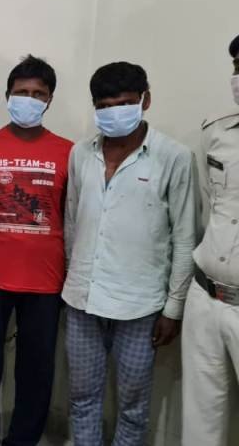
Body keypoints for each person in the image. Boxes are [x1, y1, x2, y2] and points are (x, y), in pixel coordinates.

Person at [63, 61, 198, 445]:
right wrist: (72, 276)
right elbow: (72, 221)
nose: (114, 112)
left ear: (145, 100)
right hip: (83, 301)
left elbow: (184, 237)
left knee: (133, 408)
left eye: (124, 103)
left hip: (141, 306)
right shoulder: (80, 154)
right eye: (104, 105)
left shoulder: (174, 157)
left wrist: (173, 309)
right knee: (82, 399)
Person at [0, 55, 72, 446]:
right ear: (7, 95)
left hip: (45, 280)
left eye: (38, 93)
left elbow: (70, 213)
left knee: (37, 370)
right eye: (22, 92)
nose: (29, 99)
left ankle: (23, 440)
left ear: (50, 99)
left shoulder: (69, 152)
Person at [181, 34, 239, 446]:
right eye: (237, 67)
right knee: (200, 423)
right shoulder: (217, 131)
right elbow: (209, 206)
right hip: (206, 296)